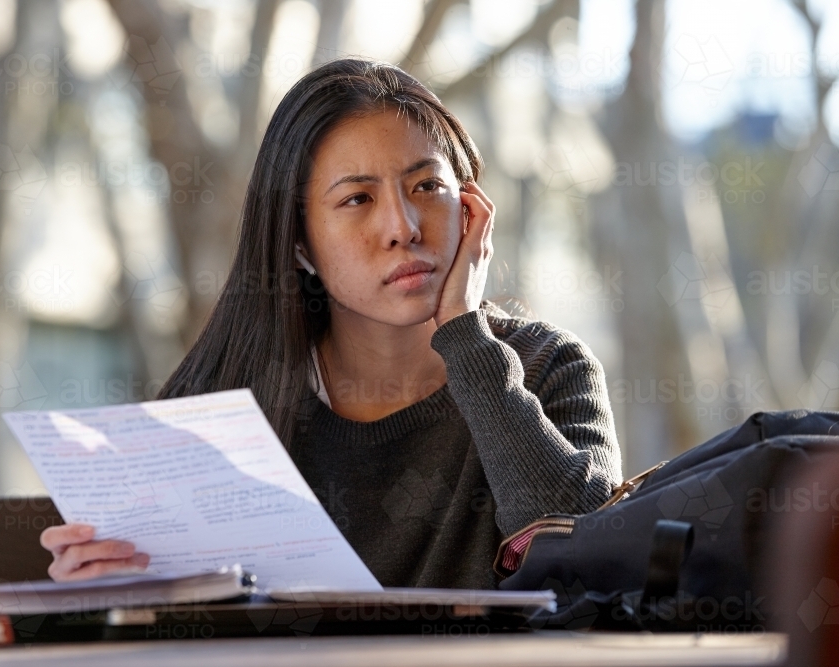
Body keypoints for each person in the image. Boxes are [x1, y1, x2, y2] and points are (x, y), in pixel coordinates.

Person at [40, 58, 622, 588]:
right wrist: (104, 582)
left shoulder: (551, 370)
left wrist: (466, 338)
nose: (403, 226)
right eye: (357, 199)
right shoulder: (230, 403)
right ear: (299, 245)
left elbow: (592, 568)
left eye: (427, 187)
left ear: (472, 213)